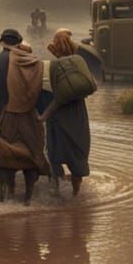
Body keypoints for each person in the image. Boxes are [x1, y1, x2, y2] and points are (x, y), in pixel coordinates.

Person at [0, 28, 49, 203]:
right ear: (19, 42)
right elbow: (41, 92)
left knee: (5, 155)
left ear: (2, 42)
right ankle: (28, 198)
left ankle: (7, 198)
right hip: (31, 117)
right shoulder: (34, 61)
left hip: (5, 117)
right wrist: (42, 116)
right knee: (32, 154)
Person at [39, 29, 91, 196]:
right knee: (77, 151)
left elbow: (55, 91)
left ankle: (57, 190)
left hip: (59, 114)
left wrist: (43, 115)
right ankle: (76, 194)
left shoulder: (53, 66)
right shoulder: (80, 60)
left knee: (55, 152)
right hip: (78, 112)